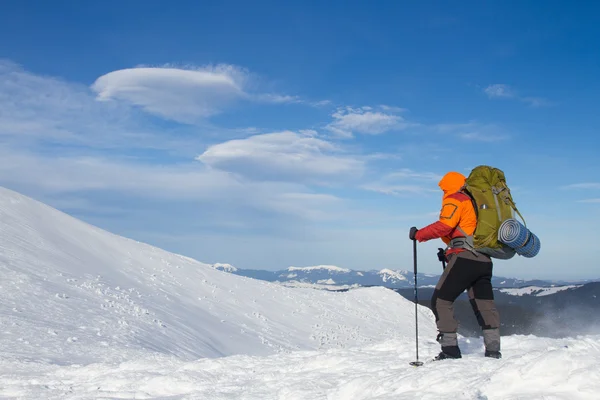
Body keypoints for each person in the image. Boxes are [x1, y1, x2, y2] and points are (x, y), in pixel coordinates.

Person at [409, 171, 501, 360]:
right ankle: (493, 350)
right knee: (484, 304)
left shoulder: (456, 198)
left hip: (465, 258)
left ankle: (450, 350)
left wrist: (419, 234)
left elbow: (445, 225)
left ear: (448, 186)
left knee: (441, 301)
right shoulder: (477, 202)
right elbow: (464, 230)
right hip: (484, 259)